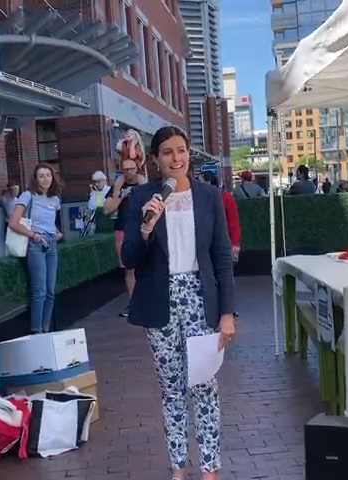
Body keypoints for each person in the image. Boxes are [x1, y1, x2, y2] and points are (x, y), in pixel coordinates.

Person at [121, 125, 236, 480]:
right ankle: (178, 467)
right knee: (171, 389)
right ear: (155, 159)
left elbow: (220, 257)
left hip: (201, 299)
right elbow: (129, 257)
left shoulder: (209, 196)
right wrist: (145, 228)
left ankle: (210, 469)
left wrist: (228, 313)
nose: (176, 158)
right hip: (161, 302)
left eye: (181, 150)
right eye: (168, 152)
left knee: (203, 385)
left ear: (189, 154)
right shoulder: (142, 198)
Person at [8, 164, 64, 334]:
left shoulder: (55, 199)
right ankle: (36, 329)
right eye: (41, 176)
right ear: (35, 179)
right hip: (35, 244)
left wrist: (57, 233)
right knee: (39, 291)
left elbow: (49, 222)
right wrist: (32, 234)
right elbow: (13, 222)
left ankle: (46, 328)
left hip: (51, 244)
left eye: (48, 175)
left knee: (50, 291)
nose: (45, 179)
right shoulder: (27, 196)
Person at [102, 158, 144, 317]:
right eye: (125, 170)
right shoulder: (117, 187)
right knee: (129, 268)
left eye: (131, 169)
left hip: (142, 229)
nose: (129, 173)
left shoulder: (143, 184)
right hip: (123, 229)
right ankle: (133, 303)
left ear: (137, 168)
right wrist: (120, 196)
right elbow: (106, 209)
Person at [200, 171, 241, 262]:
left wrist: (234, 243)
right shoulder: (225, 196)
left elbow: (232, 221)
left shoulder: (224, 197)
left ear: (208, 182)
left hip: (219, 242)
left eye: (200, 181)